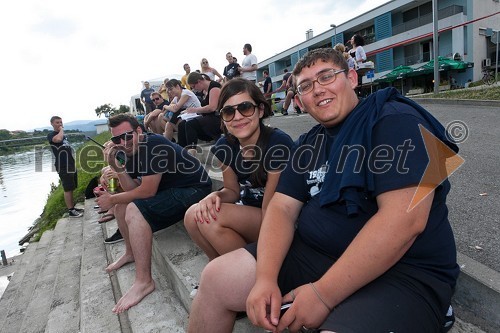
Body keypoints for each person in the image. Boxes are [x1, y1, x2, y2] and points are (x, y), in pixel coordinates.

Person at [187, 48, 459, 333]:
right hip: (315, 255)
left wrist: (322, 294)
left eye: (326, 76)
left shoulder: (394, 119)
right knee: (215, 277)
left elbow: (404, 222)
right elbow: (280, 209)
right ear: (300, 100)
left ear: (352, 78)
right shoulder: (309, 143)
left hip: (401, 274)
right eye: (305, 86)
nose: (317, 90)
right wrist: (265, 278)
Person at [95, 113, 211, 313]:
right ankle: (130, 252)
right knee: (125, 205)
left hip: (194, 188)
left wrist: (111, 200)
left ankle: (144, 281)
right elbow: (131, 188)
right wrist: (117, 167)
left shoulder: (152, 145)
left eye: (128, 136)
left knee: (131, 207)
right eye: (117, 139)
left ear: (139, 131)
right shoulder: (129, 152)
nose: (123, 142)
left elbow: (146, 191)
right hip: (170, 189)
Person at [184, 78, 294, 261]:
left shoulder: (277, 143)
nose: (237, 117)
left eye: (245, 107)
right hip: (250, 212)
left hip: (278, 216)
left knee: (212, 218)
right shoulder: (225, 145)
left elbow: (270, 207)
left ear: (260, 110)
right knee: (192, 216)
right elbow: (233, 191)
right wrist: (214, 196)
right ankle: (220, 267)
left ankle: (255, 273)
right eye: (228, 111)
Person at [47, 116, 83, 218]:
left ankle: (73, 207)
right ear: (52, 124)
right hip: (62, 165)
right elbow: (58, 140)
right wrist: (61, 130)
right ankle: (71, 210)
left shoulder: (64, 136)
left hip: (70, 164)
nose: (60, 124)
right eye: (57, 122)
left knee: (72, 187)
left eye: (61, 122)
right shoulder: (51, 135)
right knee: (67, 188)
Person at [179, 72, 222, 151]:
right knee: (182, 124)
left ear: (199, 81)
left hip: (218, 118)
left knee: (190, 124)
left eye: (194, 86)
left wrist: (195, 110)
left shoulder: (214, 87)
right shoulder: (204, 90)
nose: (194, 89)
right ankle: (182, 150)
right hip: (209, 118)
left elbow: (212, 107)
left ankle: (191, 152)